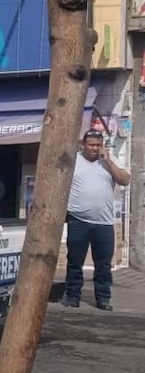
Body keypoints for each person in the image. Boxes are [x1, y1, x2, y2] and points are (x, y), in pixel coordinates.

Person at [64, 130, 130, 311]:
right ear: (83, 145)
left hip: (104, 223)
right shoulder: (74, 161)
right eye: (91, 144)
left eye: (97, 145)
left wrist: (107, 160)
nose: (94, 148)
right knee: (74, 261)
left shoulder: (108, 161)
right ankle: (72, 296)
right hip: (78, 220)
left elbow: (125, 180)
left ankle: (103, 298)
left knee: (103, 264)